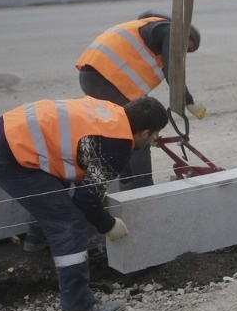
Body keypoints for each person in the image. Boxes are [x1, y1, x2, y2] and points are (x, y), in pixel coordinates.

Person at [0, 95, 168, 311]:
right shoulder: (118, 145)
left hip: (6, 131)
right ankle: (79, 307)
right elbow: (86, 201)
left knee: (55, 192)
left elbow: (84, 164)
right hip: (12, 155)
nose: (154, 139)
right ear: (143, 132)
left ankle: (35, 238)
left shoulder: (113, 112)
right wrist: (108, 224)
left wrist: (96, 193)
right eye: (154, 134)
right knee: (69, 224)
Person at [76, 12, 206, 188]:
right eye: (186, 47)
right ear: (183, 34)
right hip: (105, 78)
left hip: (97, 76)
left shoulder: (152, 30)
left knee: (124, 131)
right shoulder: (170, 31)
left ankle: (127, 183)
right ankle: (145, 190)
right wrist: (188, 101)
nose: (183, 52)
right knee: (139, 134)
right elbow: (173, 72)